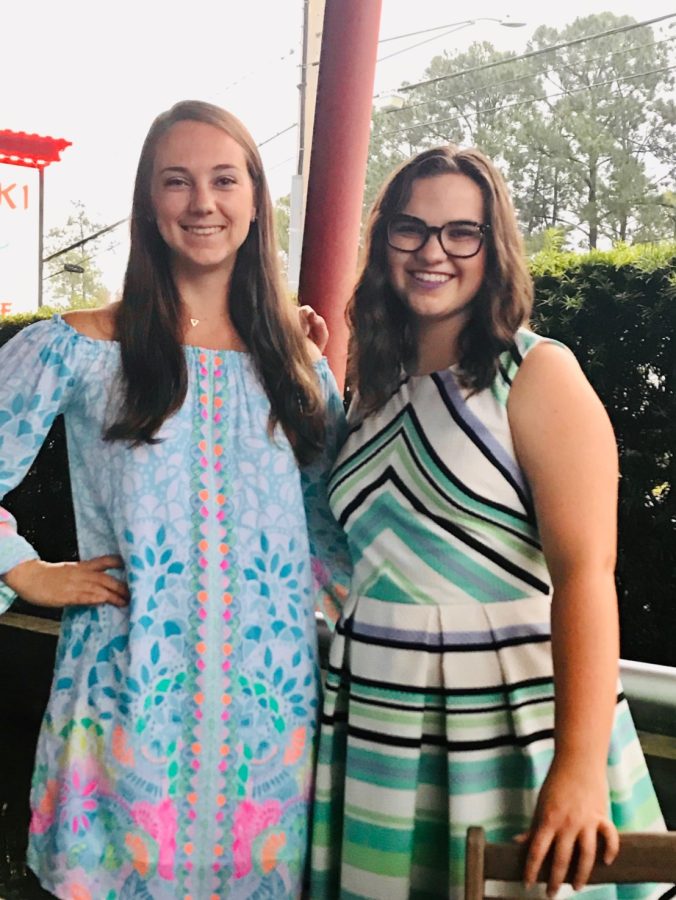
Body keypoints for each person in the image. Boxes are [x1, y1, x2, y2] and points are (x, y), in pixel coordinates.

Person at [0, 100, 349, 899]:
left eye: (225, 180)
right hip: (129, 713)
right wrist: (24, 568)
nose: (203, 202)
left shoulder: (298, 366)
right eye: (177, 181)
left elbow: (340, 526)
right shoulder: (81, 348)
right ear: (147, 204)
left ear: (256, 201)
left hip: (273, 725)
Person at [309, 146, 669, 899]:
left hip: (504, 726)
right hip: (375, 712)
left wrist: (576, 771)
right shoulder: (372, 388)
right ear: (384, 245)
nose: (433, 251)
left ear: (492, 245)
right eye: (410, 229)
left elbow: (585, 577)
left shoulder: (539, 374)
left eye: (459, 231)